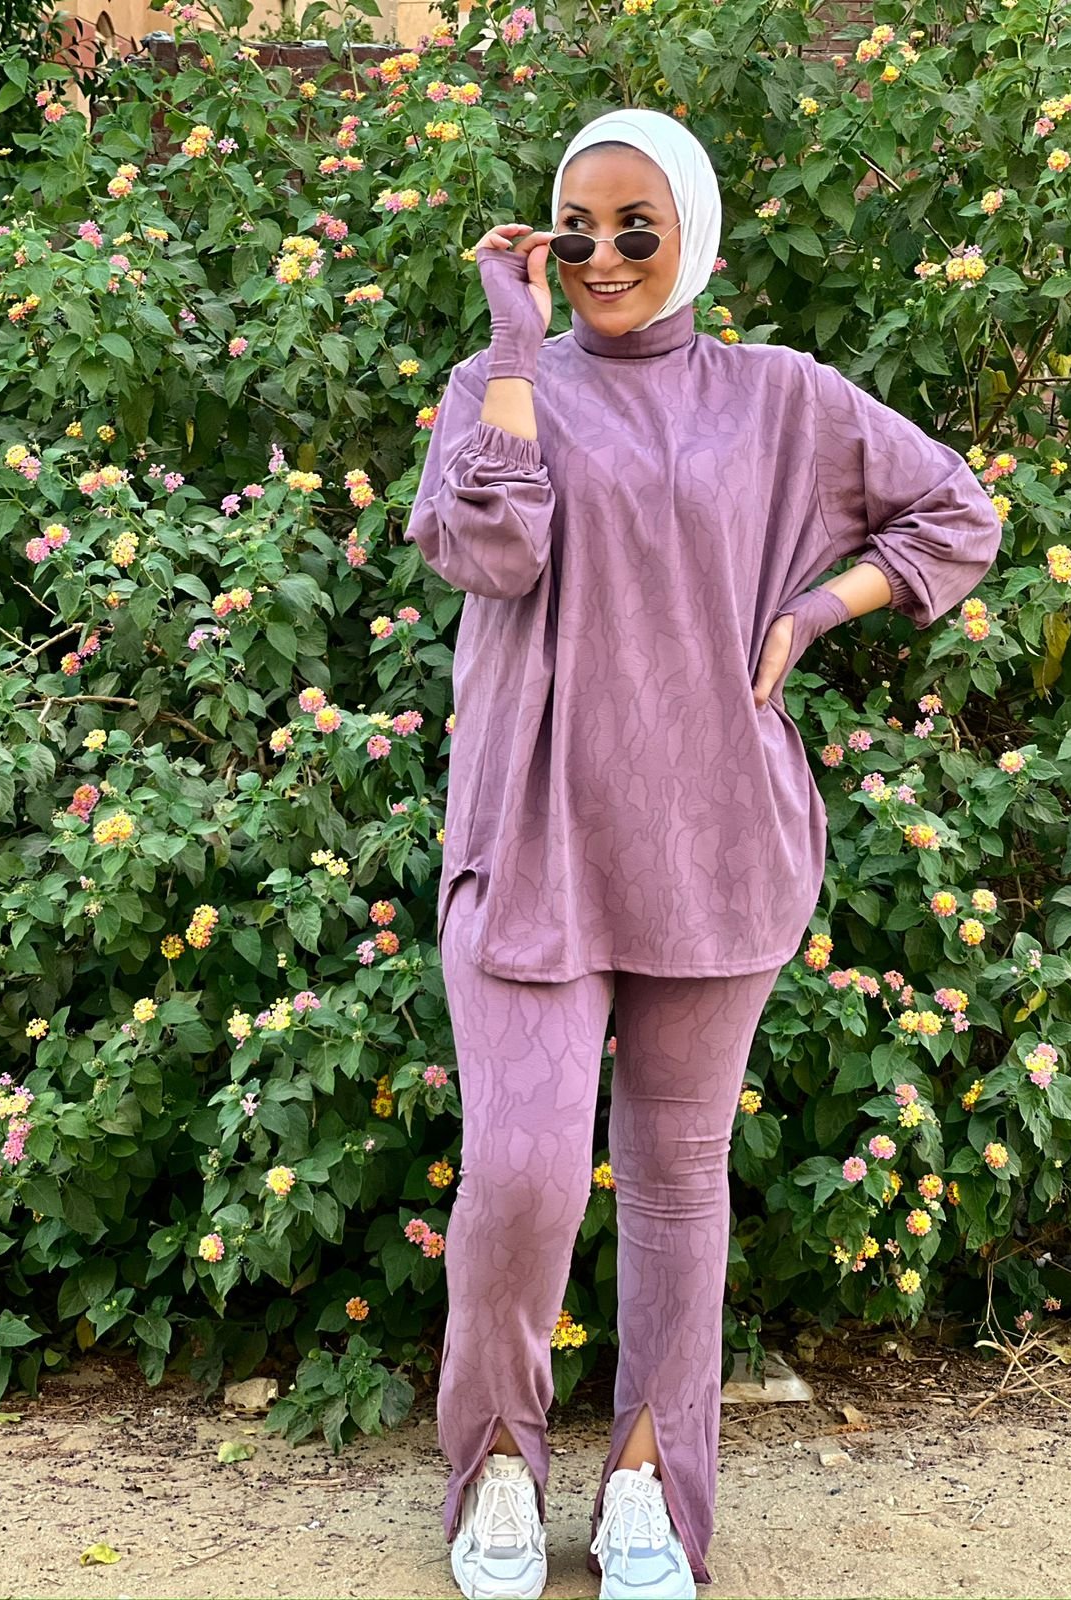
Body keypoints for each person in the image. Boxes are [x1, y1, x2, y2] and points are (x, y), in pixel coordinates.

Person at [404, 107, 1002, 1600]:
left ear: (698, 238)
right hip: (533, 839)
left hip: (713, 834)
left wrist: (816, 609)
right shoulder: (495, 385)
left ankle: (650, 1483)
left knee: (678, 1179)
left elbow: (958, 510)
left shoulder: (781, 400)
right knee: (523, 1171)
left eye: (638, 229)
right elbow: (491, 551)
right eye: (579, 228)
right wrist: (518, 348)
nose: (603, 256)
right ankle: (495, 1464)